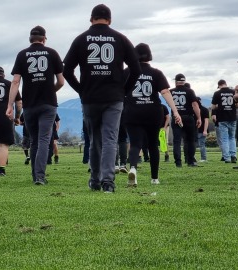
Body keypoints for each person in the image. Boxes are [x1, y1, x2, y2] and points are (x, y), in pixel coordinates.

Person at [63, 4, 142, 192]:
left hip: (90, 97)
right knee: (110, 139)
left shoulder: (81, 39)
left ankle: (95, 179)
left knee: (94, 139)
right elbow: (136, 69)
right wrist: (124, 90)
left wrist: (81, 90)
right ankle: (108, 182)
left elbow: (67, 70)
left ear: (91, 19)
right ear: (110, 20)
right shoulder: (120, 38)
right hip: (114, 97)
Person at [6, 25, 64, 184]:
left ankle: (35, 176)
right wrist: (51, 90)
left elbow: (16, 81)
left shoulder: (22, 54)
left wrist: (10, 105)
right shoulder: (52, 53)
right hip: (48, 103)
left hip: (30, 104)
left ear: (30, 39)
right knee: (45, 139)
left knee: (34, 140)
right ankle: (40, 176)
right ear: (44, 38)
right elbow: (61, 81)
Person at [123, 43, 181, 186]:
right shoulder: (156, 73)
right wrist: (175, 111)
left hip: (132, 111)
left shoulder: (127, 71)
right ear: (149, 56)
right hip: (152, 112)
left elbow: (118, 91)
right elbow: (165, 92)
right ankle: (154, 178)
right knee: (153, 144)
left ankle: (133, 169)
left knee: (135, 144)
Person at [170, 74, 202, 167]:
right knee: (190, 140)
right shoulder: (189, 91)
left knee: (177, 141)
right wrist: (199, 118)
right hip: (188, 117)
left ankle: (178, 163)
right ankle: (190, 161)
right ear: (184, 81)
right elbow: (195, 105)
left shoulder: (171, 91)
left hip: (176, 117)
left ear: (176, 81)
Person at [212, 80, 237, 163]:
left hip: (222, 118)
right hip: (232, 117)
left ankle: (227, 158)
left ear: (219, 85)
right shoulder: (233, 92)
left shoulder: (217, 93)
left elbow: (213, 107)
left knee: (224, 138)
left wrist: (219, 106)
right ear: (226, 84)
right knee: (232, 137)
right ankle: (233, 155)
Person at [197, 97, 209, 162]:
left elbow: (206, 120)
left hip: (201, 130)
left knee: (201, 144)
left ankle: (203, 158)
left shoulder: (204, 110)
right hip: (198, 130)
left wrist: (205, 130)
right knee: (201, 144)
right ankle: (203, 158)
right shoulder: (205, 109)